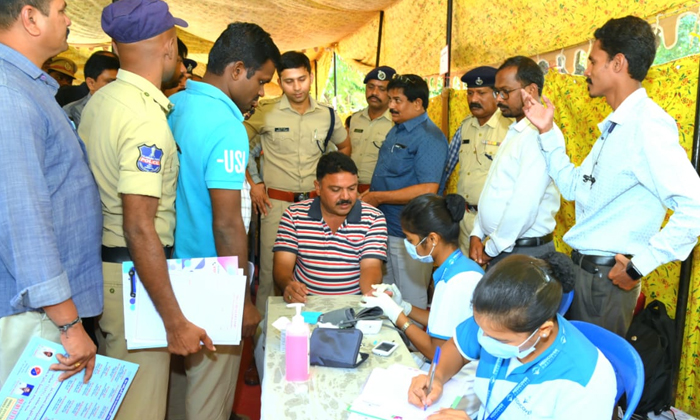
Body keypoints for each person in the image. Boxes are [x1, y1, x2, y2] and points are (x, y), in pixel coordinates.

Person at [522, 16, 700, 336]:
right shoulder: (616, 127)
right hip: (584, 276)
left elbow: (695, 207)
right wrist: (547, 131)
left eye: (593, 61)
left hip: (606, 283)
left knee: (600, 379)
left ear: (618, 63)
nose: (586, 71)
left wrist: (638, 267)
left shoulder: (647, 125)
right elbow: (574, 187)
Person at [79, 1, 209, 419]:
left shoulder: (101, 100)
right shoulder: (145, 120)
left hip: (105, 271)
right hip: (134, 277)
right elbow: (140, 227)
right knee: (140, 408)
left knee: (118, 400)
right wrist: (173, 319)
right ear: (169, 45)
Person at [165, 22, 279, 420]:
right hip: (212, 278)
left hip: (172, 273)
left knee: (178, 391)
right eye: (261, 80)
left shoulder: (175, 105)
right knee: (210, 398)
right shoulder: (228, 127)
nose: (262, 92)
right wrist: (241, 299)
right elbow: (227, 222)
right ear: (236, 70)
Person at [0, 0, 102, 385]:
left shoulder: (29, 86)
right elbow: (23, 221)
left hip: (44, 311)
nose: (69, 19)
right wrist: (70, 324)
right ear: (30, 18)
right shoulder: (9, 94)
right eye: (61, 9)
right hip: (33, 315)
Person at [408, 253, 617, 420]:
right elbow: (458, 348)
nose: (484, 340)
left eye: (501, 340)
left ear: (543, 330)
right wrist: (437, 377)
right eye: (481, 330)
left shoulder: (585, 382)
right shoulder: (494, 319)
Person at [244, 51, 351, 315]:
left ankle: (311, 329)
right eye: (288, 81)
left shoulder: (327, 115)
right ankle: (264, 340)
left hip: (316, 207)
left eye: (301, 79)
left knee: (315, 268)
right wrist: (253, 183)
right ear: (279, 82)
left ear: (310, 77)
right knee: (270, 274)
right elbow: (239, 144)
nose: (296, 87)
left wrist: (330, 183)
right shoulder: (267, 112)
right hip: (276, 205)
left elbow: (345, 146)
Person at [361, 194, 483, 362]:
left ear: (432, 239)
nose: (409, 245)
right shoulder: (457, 268)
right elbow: (440, 321)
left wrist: (397, 315)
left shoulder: (457, 281)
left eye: (411, 240)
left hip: (459, 374)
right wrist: (403, 306)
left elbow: (437, 353)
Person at [361, 74, 448, 310]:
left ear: (417, 103)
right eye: (390, 99)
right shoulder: (397, 130)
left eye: (397, 100)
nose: (390, 106)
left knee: (410, 298)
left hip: (408, 233)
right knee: (386, 294)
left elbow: (428, 189)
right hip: (383, 226)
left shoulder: (430, 137)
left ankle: (414, 347)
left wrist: (378, 197)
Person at [469, 57, 561, 268]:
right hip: (503, 247)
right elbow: (495, 189)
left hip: (523, 252)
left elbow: (523, 205)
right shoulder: (517, 130)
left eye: (505, 92)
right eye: (497, 92)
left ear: (531, 89)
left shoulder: (541, 134)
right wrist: (477, 232)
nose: (499, 99)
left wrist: (492, 247)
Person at [275, 152, 387, 301]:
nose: (345, 197)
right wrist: (288, 285)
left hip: (353, 304)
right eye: (336, 190)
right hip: (306, 303)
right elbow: (282, 264)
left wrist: (369, 293)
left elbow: (371, 267)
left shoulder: (373, 218)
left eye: (352, 188)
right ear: (318, 187)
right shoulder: (294, 215)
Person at [443, 66, 512, 256]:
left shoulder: (510, 128)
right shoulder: (465, 127)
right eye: (470, 93)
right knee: (467, 277)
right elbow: (446, 168)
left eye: (481, 93)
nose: (474, 99)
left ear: (497, 95)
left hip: (496, 222)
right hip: (464, 220)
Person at [349, 66, 395, 193]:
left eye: (382, 89)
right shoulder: (355, 119)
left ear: (391, 93)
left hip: (380, 191)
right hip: (351, 190)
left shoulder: (396, 123)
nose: (374, 93)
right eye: (370, 87)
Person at [63, 50, 119, 128]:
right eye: (110, 82)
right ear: (91, 83)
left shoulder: (127, 109)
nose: (117, 87)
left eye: (119, 82)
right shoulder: (71, 112)